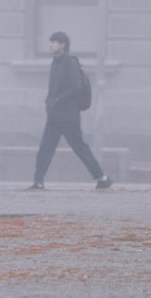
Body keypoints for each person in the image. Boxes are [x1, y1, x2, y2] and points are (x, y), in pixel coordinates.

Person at [27, 31, 109, 191]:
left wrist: (58, 100)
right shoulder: (56, 62)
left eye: (54, 42)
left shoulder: (70, 63)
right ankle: (38, 181)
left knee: (79, 148)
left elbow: (76, 87)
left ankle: (102, 178)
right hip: (55, 115)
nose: (51, 44)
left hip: (68, 116)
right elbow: (54, 88)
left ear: (63, 45)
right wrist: (49, 101)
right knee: (45, 149)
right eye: (51, 42)